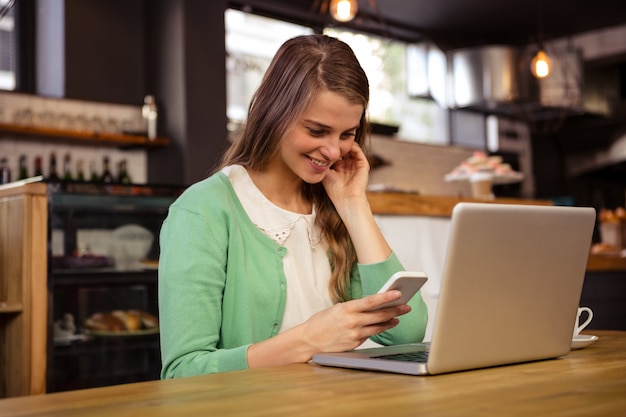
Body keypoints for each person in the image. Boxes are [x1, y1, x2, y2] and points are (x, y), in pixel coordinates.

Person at [158, 34, 428, 378]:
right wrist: (307, 340)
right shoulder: (203, 211)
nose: (333, 152)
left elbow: (407, 332)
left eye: (347, 135)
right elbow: (183, 373)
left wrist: (354, 206)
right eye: (317, 131)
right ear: (275, 114)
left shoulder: (332, 208)